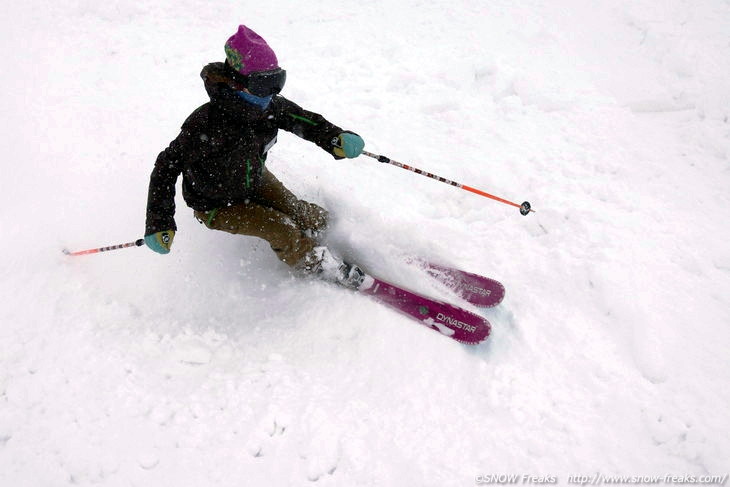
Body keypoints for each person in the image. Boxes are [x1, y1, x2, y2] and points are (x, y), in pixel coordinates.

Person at [144, 25, 366, 288]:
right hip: (215, 204)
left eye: (277, 81)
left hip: (254, 178)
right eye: (263, 84)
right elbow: (166, 165)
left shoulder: (269, 106)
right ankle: (318, 264)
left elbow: (305, 121)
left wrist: (334, 138)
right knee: (280, 227)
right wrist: (159, 222)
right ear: (238, 83)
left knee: (299, 211)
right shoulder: (205, 124)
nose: (271, 92)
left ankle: (344, 238)